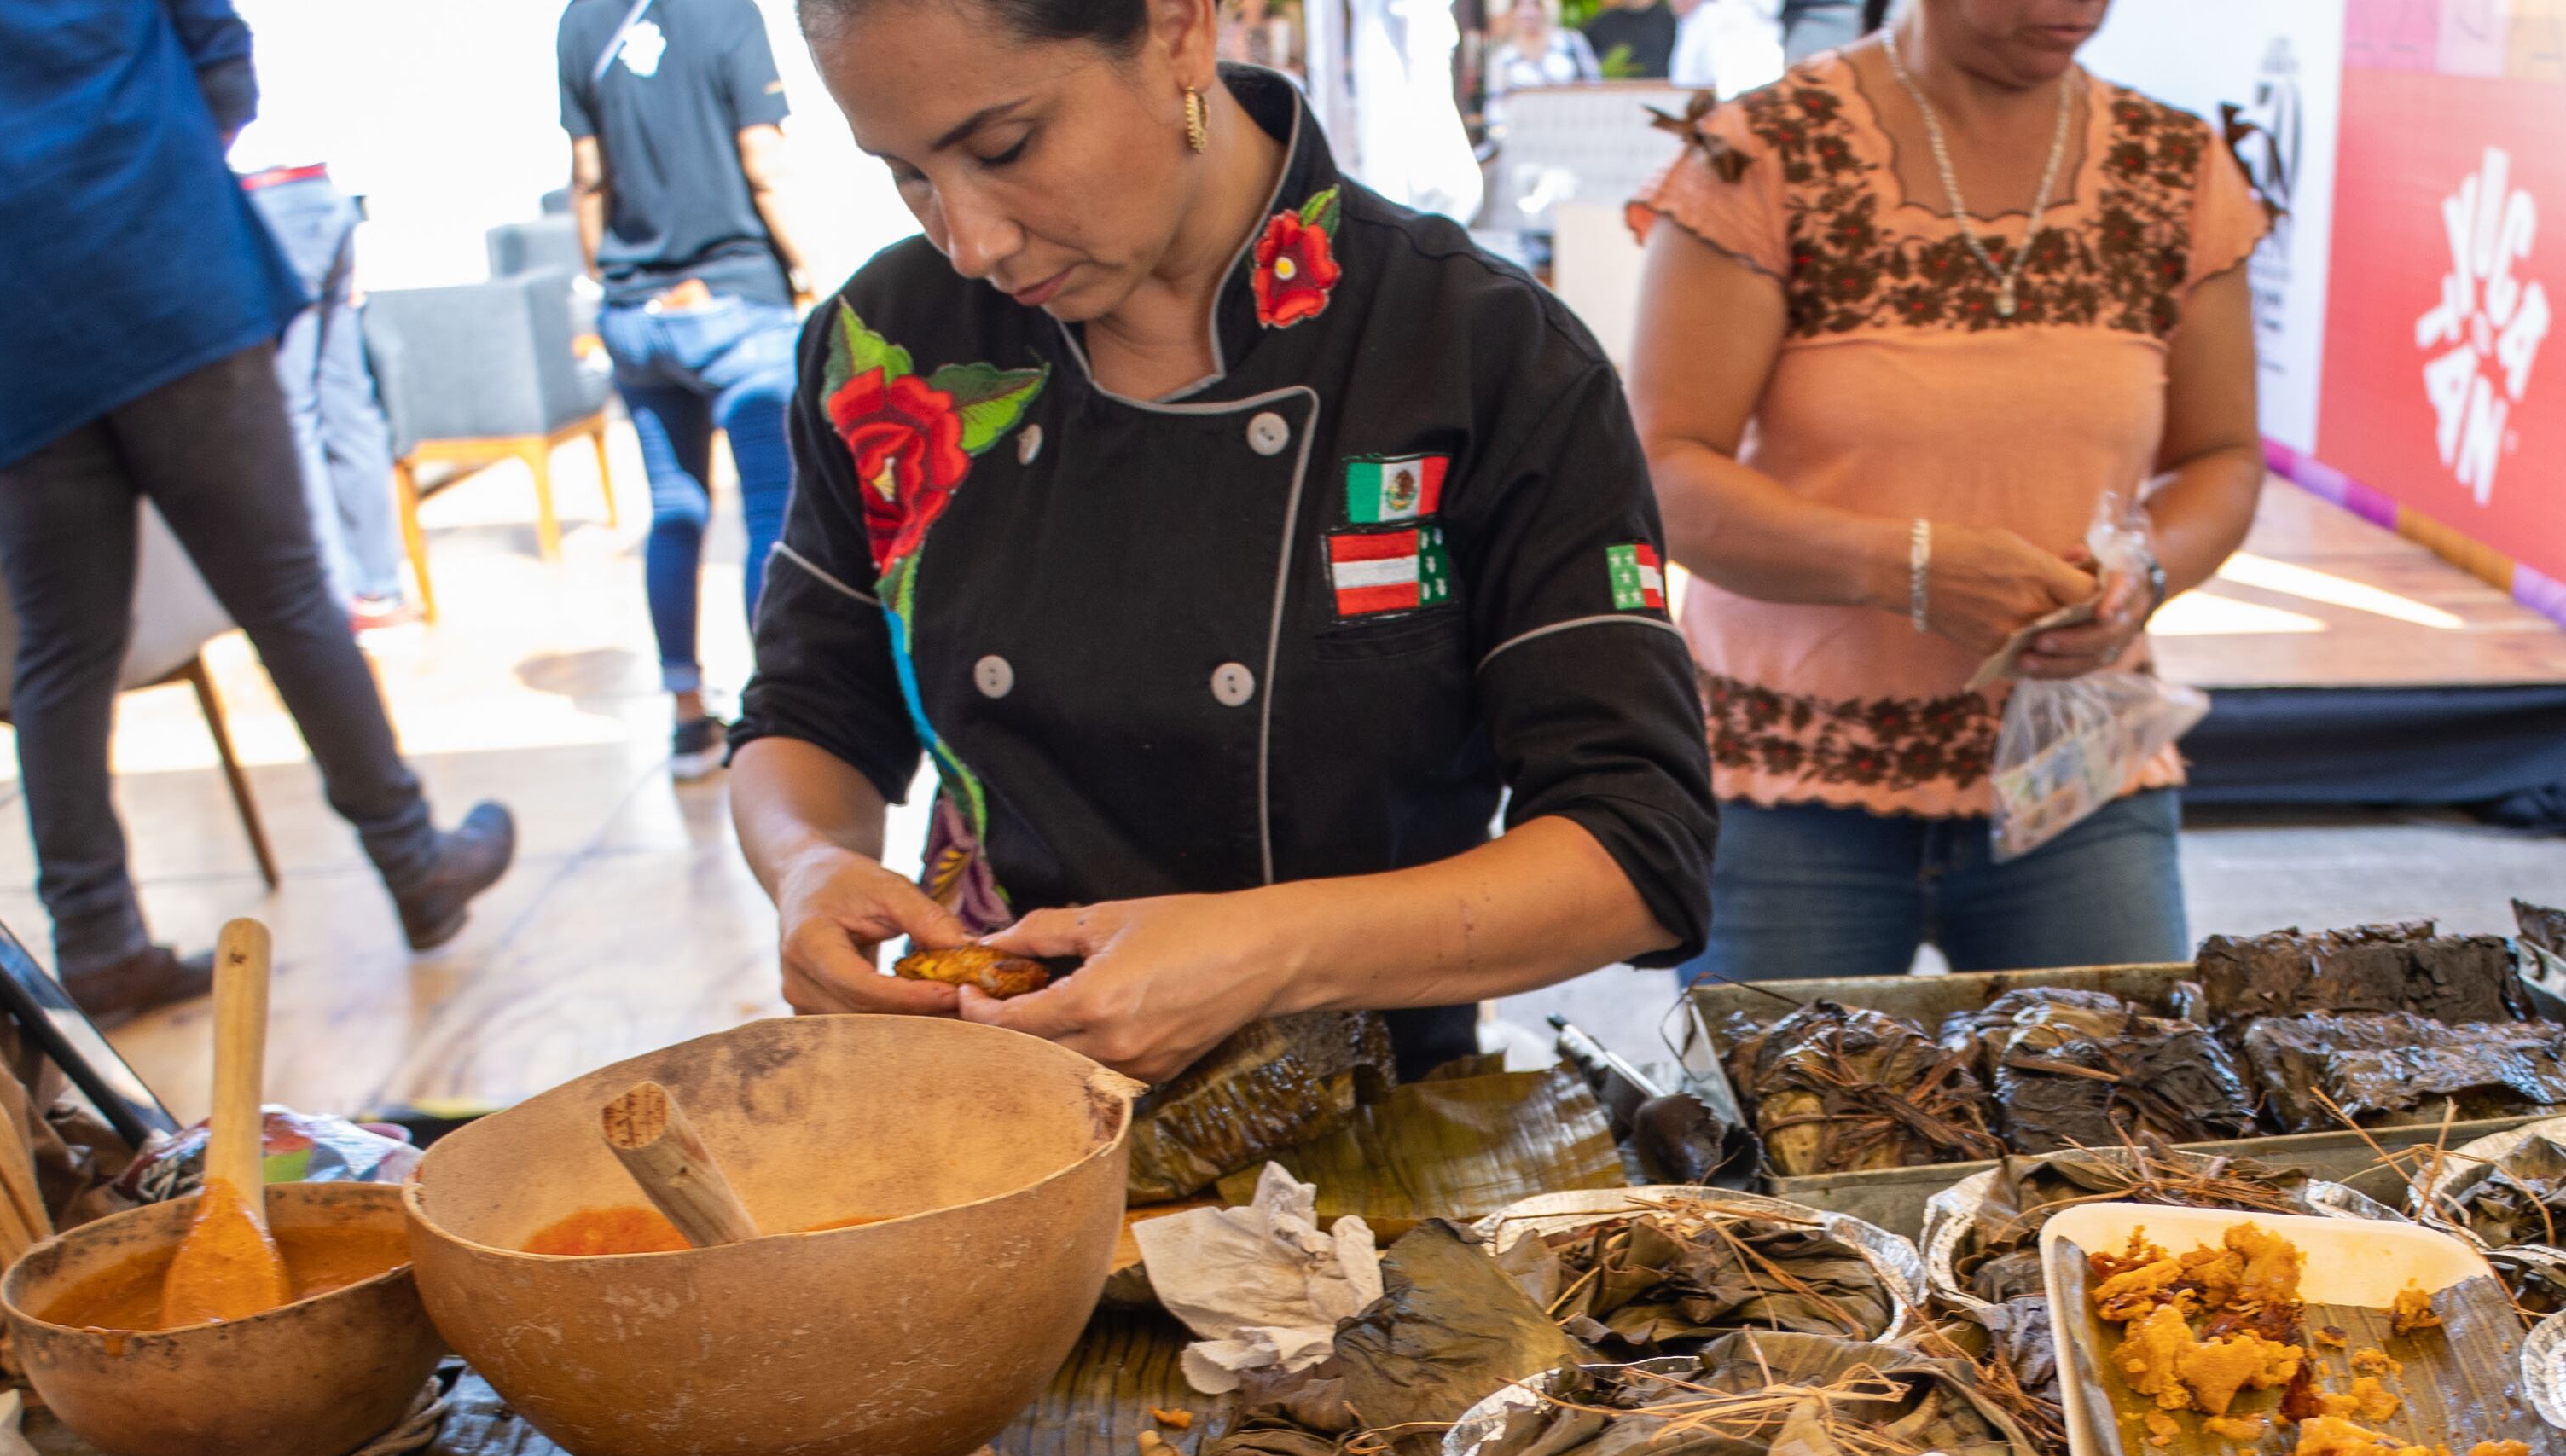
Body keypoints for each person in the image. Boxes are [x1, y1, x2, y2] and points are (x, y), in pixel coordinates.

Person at [732, 0, 1716, 1083]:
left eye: (1003, 147)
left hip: (1372, 1128)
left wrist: (1265, 954)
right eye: (906, 174)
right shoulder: (890, 348)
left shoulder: (1475, 350)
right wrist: (806, 864)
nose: (971, 241)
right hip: (999, 1102)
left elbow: (1633, 845)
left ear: (1176, 30)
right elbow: (806, 712)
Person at [0, 0, 518, 1022]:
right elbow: (222, 62)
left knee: (63, 647)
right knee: (288, 596)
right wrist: (145, 190)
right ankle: (416, 867)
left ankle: (98, 940)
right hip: (177, 287)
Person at [1624, 0, 2265, 980]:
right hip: (1787, 786)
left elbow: (2221, 457)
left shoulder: (2171, 165)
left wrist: (2143, 571)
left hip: (2077, 773)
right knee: (1775, 1125)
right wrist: (1905, 566)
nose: (2075, 11)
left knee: (2115, 1118)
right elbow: (1661, 474)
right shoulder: (1764, 154)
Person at [562, 0, 818, 779]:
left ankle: (685, 718)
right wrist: (808, 273)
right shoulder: (725, 13)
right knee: (769, 513)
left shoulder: (580, 21)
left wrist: (611, 281)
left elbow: (587, 177)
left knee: (675, 510)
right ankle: (775, 720)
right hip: (736, 299)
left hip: (640, 317)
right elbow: (763, 164)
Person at [239, 156, 413, 628]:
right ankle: (379, 589)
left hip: (267, 194)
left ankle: (334, 602)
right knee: (347, 400)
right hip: (325, 191)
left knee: (293, 412)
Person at [1481, 0, 1598, 107]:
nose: (1527, 12)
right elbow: (1495, 104)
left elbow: (1594, 85)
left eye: (1535, 4)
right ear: (1511, 12)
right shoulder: (1503, 58)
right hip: (1525, 126)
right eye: (1519, 5)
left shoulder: (1571, 42)